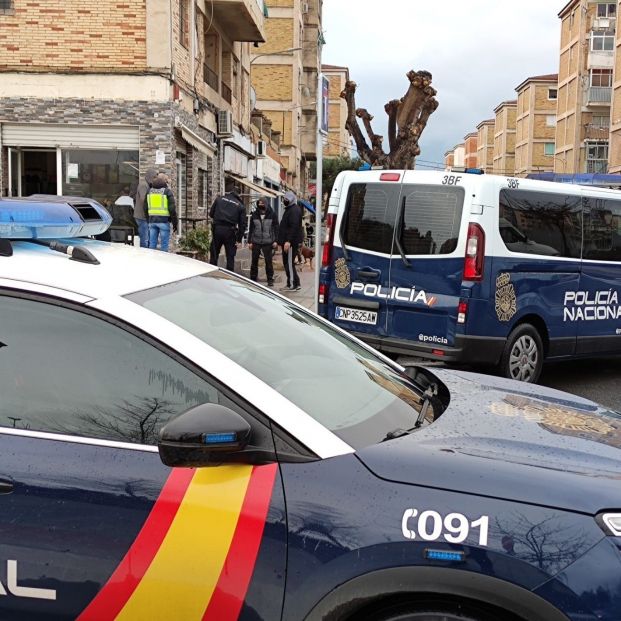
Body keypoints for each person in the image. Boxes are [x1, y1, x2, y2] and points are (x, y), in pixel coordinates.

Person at [209, 180, 246, 272]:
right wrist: (239, 239)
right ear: (239, 195)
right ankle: (229, 275)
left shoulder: (219, 199)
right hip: (230, 231)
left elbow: (211, 214)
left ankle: (212, 273)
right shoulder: (240, 206)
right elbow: (242, 224)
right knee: (230, 256)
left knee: (214, 253)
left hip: (217, 229)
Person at [248, 197, 278, 286]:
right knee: (254, 261)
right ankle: (253, 279)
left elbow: (276, 228)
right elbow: (251, 229)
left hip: (268, 241)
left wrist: (276, 240)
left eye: (262, 203)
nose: (261, 205)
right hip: (256, 241)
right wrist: (249, 241)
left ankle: (270, 279)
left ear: (266, 204)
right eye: (259, 203)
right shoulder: (254, 214)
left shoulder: (272, 214)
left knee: (268, 262)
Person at [278, 190, 303, 291]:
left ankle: (292, 284)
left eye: (287, 199)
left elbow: (293, 227)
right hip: (288, 242)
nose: (285, 200)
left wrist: (288, 241)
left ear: (292, 199)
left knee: (288, 263)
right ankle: (295, 283)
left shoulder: (294, 210)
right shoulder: (290, 209)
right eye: (284, 199)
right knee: (289, 263)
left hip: (291, 243)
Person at [146, 173, 178, 252]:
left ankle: (151, 261)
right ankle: (163, 262)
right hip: (164, 221)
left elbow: (145, 207)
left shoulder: (149, 191)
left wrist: (148, 220)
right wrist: (175, 223)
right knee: (164, 245)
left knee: (152, 244)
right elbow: (172, 209)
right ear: (164, 181)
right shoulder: (167, 192)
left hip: (152, 221)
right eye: (167, 181)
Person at [133, 169, 157, 248]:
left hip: (144, 216)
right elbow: (143, 200)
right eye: (154, 178)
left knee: (146, 238)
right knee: (144, 239)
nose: (155, 180)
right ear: (150, 177)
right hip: (141, 216)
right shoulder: (143, 185)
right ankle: (144, 256)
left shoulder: (147, 185)